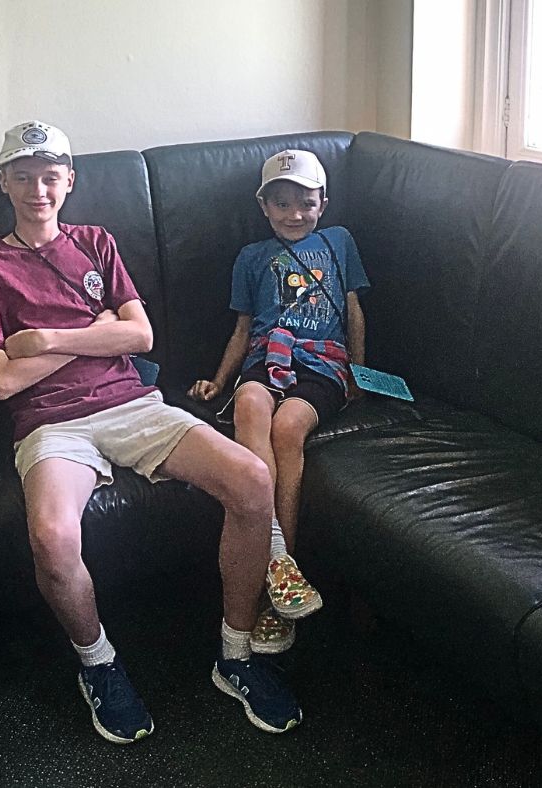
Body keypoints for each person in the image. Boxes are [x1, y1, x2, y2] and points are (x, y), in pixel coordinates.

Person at [0, 121, 303, 744]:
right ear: (4, 183)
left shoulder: (94, 242)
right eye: (24, 176)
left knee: (252, 479)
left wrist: (48, 338)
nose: (39, 189)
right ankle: (99, 665)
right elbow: (3, 382)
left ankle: (237, 654)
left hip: (133, 404)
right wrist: (96, 333)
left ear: (69, 181)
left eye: (50, 176)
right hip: (50, 423)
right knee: (52, 535)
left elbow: (141, 338)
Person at [188, 149, 369, 654]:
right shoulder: (250, 257)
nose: (295, 214)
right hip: (267, 358)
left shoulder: (340, 242)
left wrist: (357, 368)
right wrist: (219, 380)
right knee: (250, 404)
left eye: (305, 203)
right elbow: (243, 328)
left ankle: (275, 582)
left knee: (289, 427)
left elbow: (354, 307)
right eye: (282, 203)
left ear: (323, 203)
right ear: (263, 206)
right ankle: (276, 559)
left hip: (323, 363)